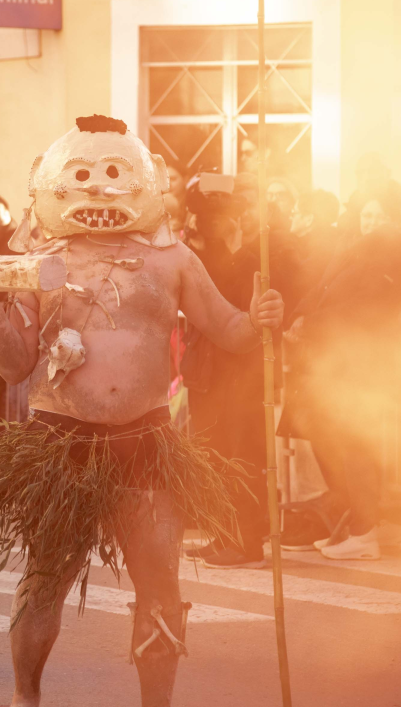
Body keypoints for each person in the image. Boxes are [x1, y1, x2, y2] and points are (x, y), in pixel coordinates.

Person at [0, 115, 284, 707]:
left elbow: (230, 329)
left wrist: (259, 321)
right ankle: (26, 698)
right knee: (45, 581)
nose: (99, 188)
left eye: (113, 174)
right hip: (60, 442)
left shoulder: (173, 259)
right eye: (82, 176)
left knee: (161, 587)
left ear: (145, 180)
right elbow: (14, 366)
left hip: (146, 442)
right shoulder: (37, 260)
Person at [282, 190, 401, 560]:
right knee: (341, 444)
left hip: (363, 365)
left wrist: (309, 324)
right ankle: (366, 524)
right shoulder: (355, 251)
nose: (370, 223)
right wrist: (299, 317)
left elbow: (360, 309)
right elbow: (322, 289)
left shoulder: (390, 258)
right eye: (366, 215)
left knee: (358, 446)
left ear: (397, 221)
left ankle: (365, 533)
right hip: (336, 361)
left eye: (379, 216)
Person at [180, 176, 275, 569]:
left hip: (240, 373)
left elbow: (240, 304)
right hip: (207, 369)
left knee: (241, 456)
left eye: (221, 213)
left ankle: (247, 542)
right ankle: (223, 533)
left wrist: (230, 243)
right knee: (213, 455)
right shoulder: (199, 252)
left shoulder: (255, 256)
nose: (212, 222)